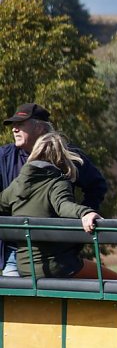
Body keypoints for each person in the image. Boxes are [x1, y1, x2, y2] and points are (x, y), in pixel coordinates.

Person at [0, 103, 108, 276]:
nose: (14, 129)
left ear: (41, 128)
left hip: (58, 254)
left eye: (20, 124)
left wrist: (83, 220)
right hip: (14, 253)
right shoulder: (4, 157)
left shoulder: (66, 156)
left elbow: (96, 186)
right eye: (13, 125)